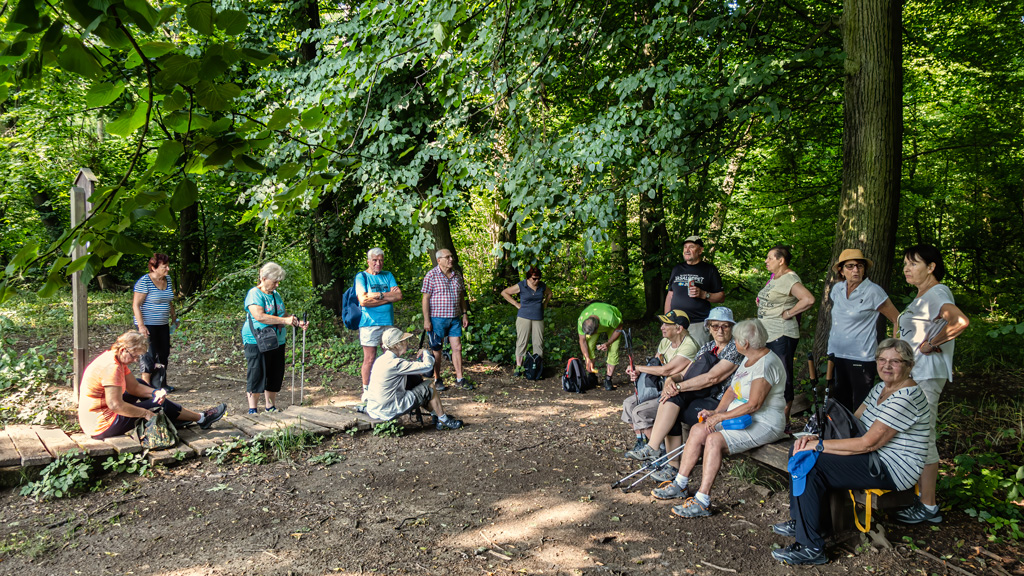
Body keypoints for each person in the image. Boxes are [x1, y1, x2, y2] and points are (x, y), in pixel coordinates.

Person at [771, 339, 930, 565]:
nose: (887, 366)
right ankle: (806, 521)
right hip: (874, 458)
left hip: (891, 468)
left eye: (895, 361)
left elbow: (868, 443)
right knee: (797, 450)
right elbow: (853, 422)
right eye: (882, 360)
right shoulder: (880, 388)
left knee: (811, 463)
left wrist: (819, 446)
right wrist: (817, 438)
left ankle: (810, 548)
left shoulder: (905, 397)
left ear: (909, 365)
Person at [650, 319, 786, 518]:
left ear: (745, 343)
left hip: (765, 422)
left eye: (737, 340)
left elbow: (754, 404)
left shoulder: (765, 364)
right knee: (699, 429)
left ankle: (702, 500)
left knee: (714, 440)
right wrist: (715, 413)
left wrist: (721, 416)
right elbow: (732, 390)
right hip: (742, 417)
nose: (734, 344)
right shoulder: (749, 358)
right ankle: (680, 483)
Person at [894, 244, 970, 524]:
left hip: (927, 374)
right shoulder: (922, 296)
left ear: (931, 267)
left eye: (913, 263)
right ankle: (916, 494)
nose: (906, 269)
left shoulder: (938, 292)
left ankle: (928, 505)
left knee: (924, 435)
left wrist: (931, 344)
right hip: (916, 374)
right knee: (914, 432)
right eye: (905, 264)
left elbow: (960, 321)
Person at [626, 307, 742, 485]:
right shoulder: (708, 347)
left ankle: (662, 457)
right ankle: (657, 452)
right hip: (699, 395)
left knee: (674, 404)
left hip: (719, 402)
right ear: (708, 327)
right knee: (671, 400)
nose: (720, 330)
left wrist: (678, 387)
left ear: (732, 328)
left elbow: (712, 378)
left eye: (725, 326)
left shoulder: (735, 349)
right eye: (715, 325)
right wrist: (671, 381)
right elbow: (686, 373)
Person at [78, 332, 226, 439]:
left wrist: (156, 392)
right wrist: (146, 413)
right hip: (102, 425)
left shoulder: (115, 358)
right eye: (134, 356)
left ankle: (184, 417)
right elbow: (115, 405)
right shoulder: (112, 367)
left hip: (96, 418)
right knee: (157, 406)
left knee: (144, 385)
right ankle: (201, 418)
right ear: (123, 350)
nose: (136, 360)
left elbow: (135, 388)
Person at [826, 248, 900, 411]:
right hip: (836, 353)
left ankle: (864, 435)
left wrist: (894, 350)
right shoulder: (837, 289)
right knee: (840, 401)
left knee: (862, 404)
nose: (856, 270)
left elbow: (897, 319)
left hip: (861, 356)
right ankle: (843, 434)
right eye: (850, 266)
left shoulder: (873, 291)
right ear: (841, 270)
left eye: (860, 266)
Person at [622, 310, 699, 454]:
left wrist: (638, 367)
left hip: (676, 393)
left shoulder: (689, 346)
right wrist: (638, 372)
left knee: (640, 411)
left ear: (679, 328)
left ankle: (659, 452)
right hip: (658, 388)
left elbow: (666, 371)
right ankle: (642, 442)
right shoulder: (665, 342)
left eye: (666, 324)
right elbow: (655, 365)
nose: (661, 327)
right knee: (628, 404)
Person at [756, 245, 815, 427]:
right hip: (768, 335)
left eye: (769, 258)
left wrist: (789, 313)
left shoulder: (789, 278)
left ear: (781, 260)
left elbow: (808, 299)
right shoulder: (775, 278)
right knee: (767, 375)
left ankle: (784, 422)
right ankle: (768, 418)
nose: (766, 261)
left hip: (781, 335)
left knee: (783, 376)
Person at [366, 328, 464, 430]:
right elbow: (428, 366)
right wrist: (426, 353)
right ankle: (443, 420)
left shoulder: (380, 360)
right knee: (429, 385)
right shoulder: (396, 364)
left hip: (375, 408)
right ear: (396, 345)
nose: (406, 343)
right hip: (389, 409)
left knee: (417, 385)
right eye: (403, 341)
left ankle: (436, 415)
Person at [242, 262, 308, 414]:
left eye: (279, 282)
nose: (277, 285)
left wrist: (297, 322)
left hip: (276, 340)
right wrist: (284, 321)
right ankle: (253, 410)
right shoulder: (254, 294)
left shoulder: (275, 294)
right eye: (275, 281)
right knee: (257, 373)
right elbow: (259, 316)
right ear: (264, 278)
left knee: (274, 373)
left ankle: (270, 407)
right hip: (256, 340)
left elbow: (282, 314)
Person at [422, 249, 472, 391]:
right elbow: (425, 299)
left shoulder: (457, 276)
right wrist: (427, 320)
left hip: (455, 318)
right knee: (437, 349)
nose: (451, 259)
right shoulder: (431, 275)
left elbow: (461, 296)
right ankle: (437, 379)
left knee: (457, 348)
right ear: (439, 260)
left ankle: (460, 379)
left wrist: (464, 313)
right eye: (447, 257)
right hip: (437, 318)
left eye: (451, 256)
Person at [356, 248, 402, 398]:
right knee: (369, 358)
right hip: (369, 323)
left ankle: (386, 388)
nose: (378, 263)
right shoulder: (361, 277)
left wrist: (378, 295)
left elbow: (399, 295)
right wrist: (388, 297)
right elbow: (363, 301)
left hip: (387, 323)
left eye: (381, 260)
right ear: (368, 261)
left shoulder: (388, 275)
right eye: (375, 260)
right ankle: (367, 391)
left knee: (389, 356)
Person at [664, 236, 724, 347]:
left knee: (699, 359)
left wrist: (703, 294)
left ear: (700, 250)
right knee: (674, 358)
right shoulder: (677, 269)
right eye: (685, 247)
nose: (687, 250)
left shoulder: (709, 269)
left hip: (698, 325)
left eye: (691, 247)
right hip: (676, 324)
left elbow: (721, 297)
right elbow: (670, 295)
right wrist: (667, 320)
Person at [132, 253, 177, 391]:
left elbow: (168, 301)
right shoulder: (144, 282)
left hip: (163, 323)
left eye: (168, 266)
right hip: (147, 324)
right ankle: (146, 387)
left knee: (164, 353)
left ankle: (160, 384)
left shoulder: (168, 280)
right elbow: (136, 305)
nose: (168, 269)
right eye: (164, 266)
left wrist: (174, 317)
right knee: (148, 355)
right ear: (153, 267)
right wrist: (141, 326)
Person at [500, 266, 552, 375]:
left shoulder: (542, 286)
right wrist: (516, 304)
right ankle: (519, 367)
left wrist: (545, 304)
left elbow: (549, 293)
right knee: (522, 341)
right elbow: (504, 293)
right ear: (528, 278)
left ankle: (537, 367)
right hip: (524, 316)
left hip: (538, 317)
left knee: (538, 342)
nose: (536, 281)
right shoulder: (522, 285)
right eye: (534, 278)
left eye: (538, 278)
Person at [577, 302, 624, 391]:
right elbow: (582, 341)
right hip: (595, 324)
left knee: (613, 349)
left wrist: (608, 343)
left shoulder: (610, 317)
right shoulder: (581, 320)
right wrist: (587, 358)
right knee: (588, 347)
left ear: (598, 327)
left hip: (613, 327)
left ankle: (608, 379)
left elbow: (619, 328)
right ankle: (592, 377)